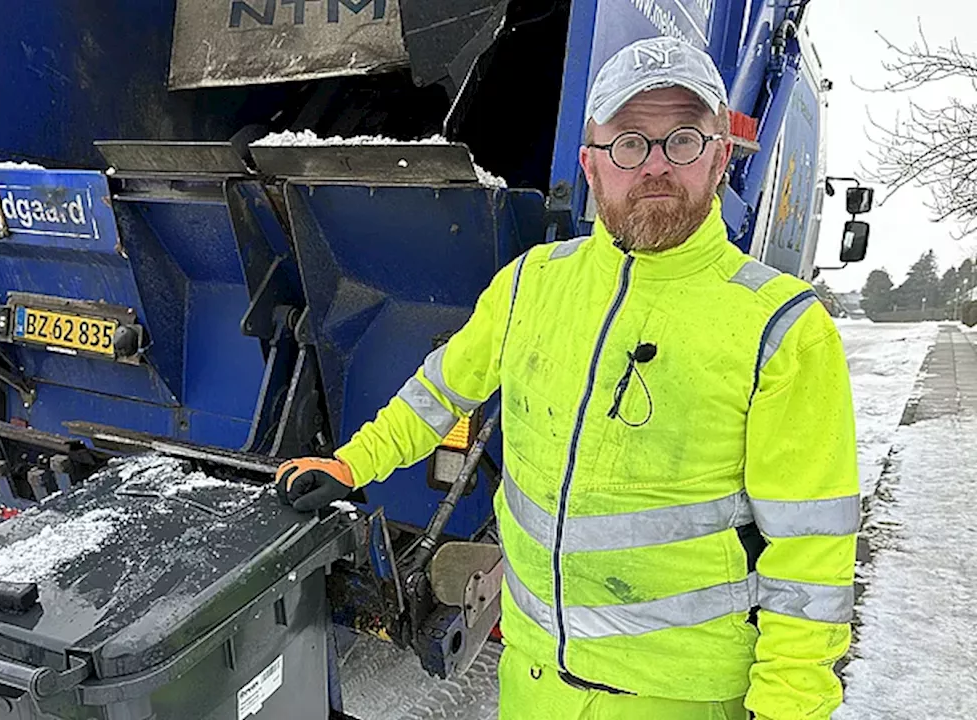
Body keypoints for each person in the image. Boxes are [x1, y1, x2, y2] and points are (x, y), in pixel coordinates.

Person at [275, 35, 859, 720]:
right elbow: (439, 393)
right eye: (630, 143)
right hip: (532, 680)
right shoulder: (531, 284)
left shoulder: (781, 331)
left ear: (721, 157)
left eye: (684, 140)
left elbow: (811, 554)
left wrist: (790, 706)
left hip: (680, 698)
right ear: (591, 163)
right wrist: (352, 465)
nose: (656, 165)